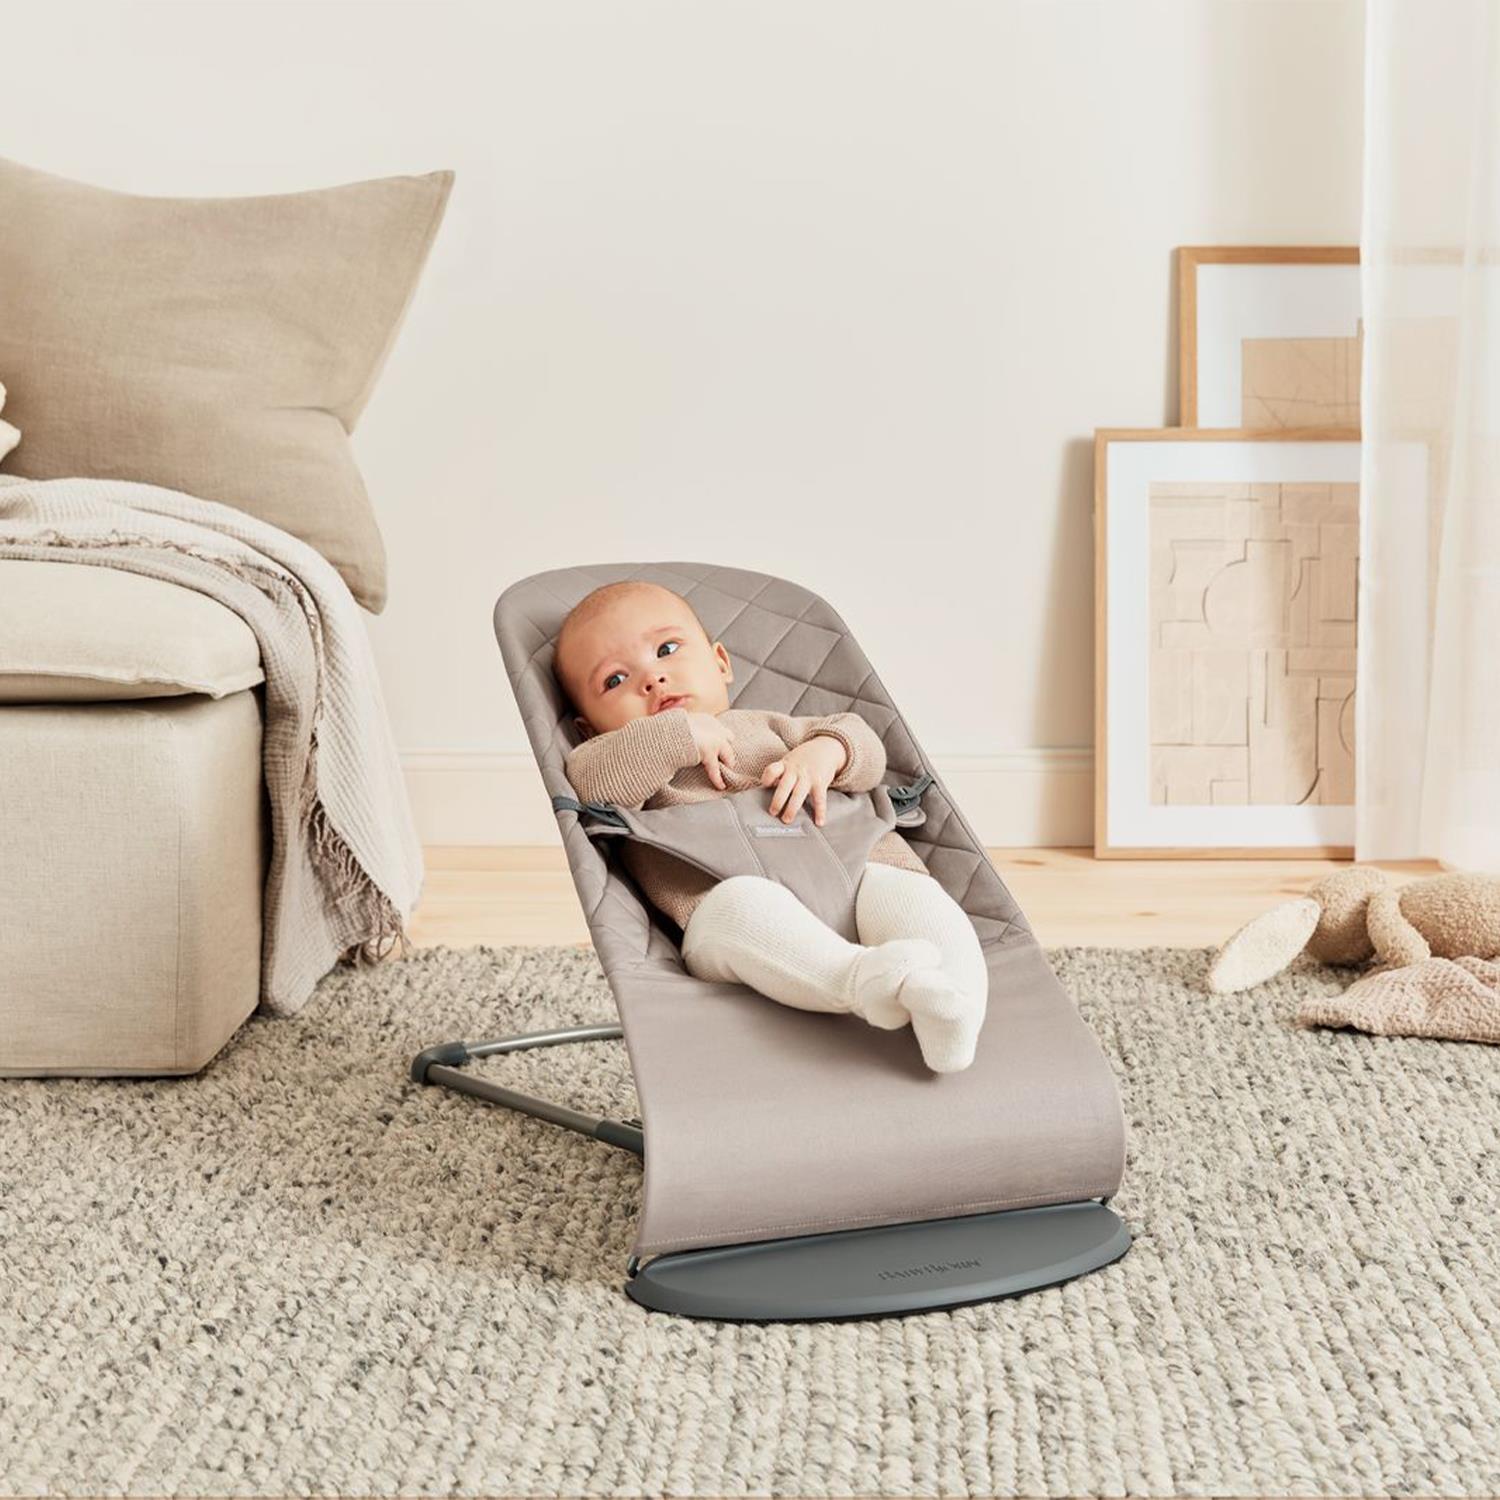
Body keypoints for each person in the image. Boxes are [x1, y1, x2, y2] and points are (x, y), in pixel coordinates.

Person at [553, 580, 988, 1072]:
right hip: (727, 899)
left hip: (857, 871)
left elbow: (864, 746)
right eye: (614, 680)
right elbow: (590, 784)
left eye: (667, 650)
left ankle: (953, 1003)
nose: (652, 679)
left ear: (720, 663)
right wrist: (675, 736)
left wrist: (826, 752)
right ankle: (860, 980)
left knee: (913, 896)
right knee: (739, 910)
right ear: (588, 727)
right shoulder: (621, 757)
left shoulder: (772, 726)